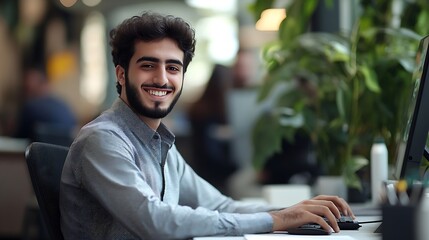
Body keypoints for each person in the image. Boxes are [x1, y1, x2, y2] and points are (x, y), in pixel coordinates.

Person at [60, 12, 354, 239]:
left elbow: (221, 206)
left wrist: (295, 211)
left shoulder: (159, 144)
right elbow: (154, 222)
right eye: (148, 65)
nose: (162, 79)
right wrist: (278, 220)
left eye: (173, 68)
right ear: (122, 74)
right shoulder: (103, 139)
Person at [187, 64, 237, 194]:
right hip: (215, 175)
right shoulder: (211, 113)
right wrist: (236, 167)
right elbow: (212, 154)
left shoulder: (199, 108)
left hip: (200, 170)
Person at [14, 66, 77, 146]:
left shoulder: (30, 107)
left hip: (38, 156)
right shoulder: (65, 106)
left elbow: (17, 140)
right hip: (65, 155)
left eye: (27, 89)